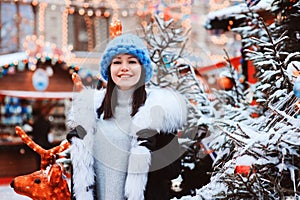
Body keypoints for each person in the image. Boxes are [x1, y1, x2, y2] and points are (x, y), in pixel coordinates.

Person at [66, 33, 187, 200]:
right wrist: (79, 145)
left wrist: (149, 148)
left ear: (142, 69)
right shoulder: (91, 114)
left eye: (132, 62)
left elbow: (173, 170)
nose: (124, 67)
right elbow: (81, 178)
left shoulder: (159, 111)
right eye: (117, 62)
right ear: (109, 69)